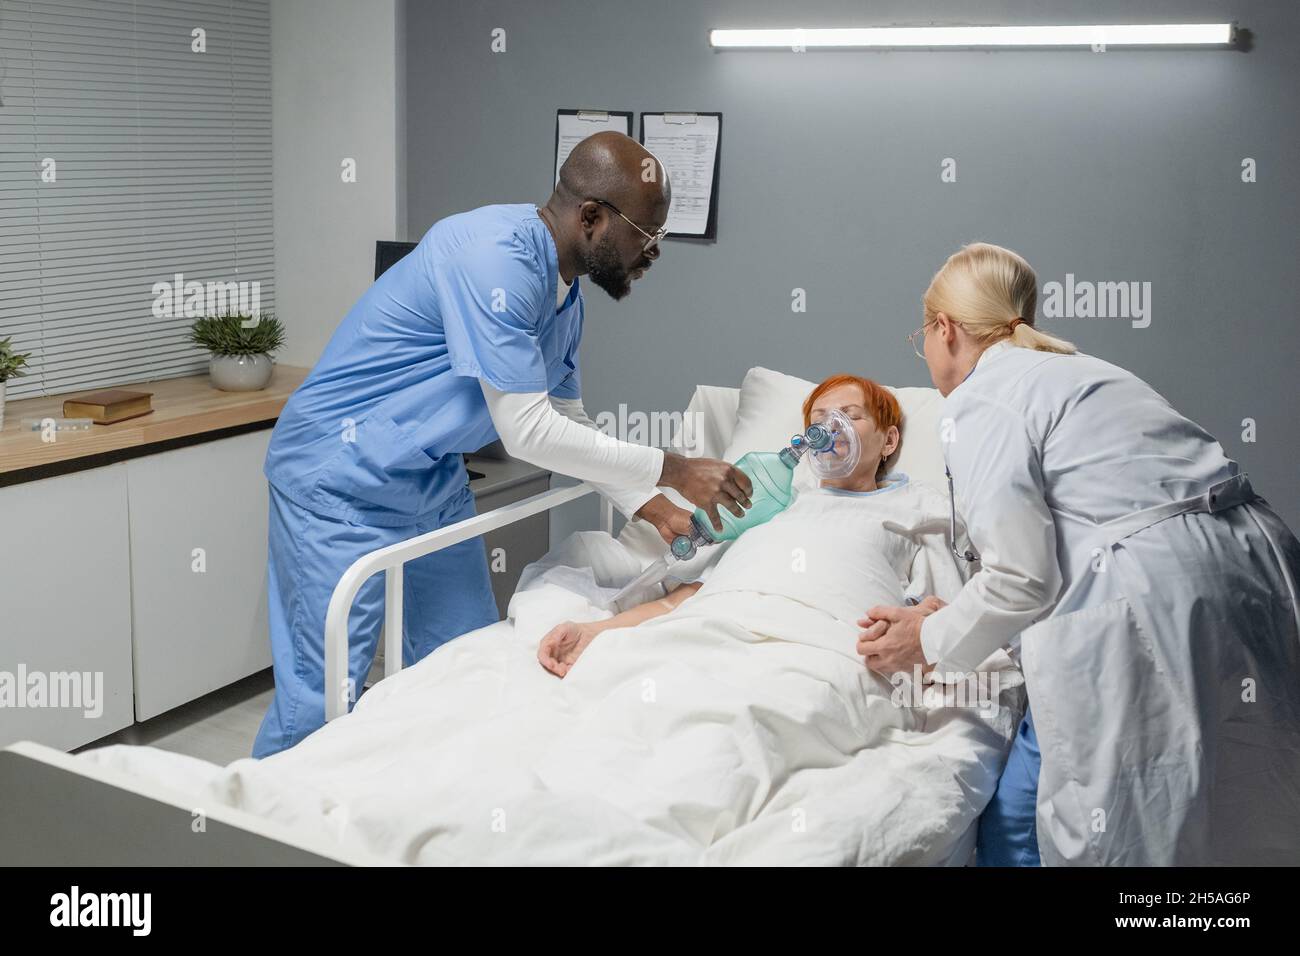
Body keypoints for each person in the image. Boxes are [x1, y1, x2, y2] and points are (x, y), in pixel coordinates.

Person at [253, 132, 753, 757]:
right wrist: (676, 467)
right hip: (337, 476)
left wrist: (653, 506)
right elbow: (528, 433)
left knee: (466, 664)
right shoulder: (494, 257)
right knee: (320, 699)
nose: (652, 252)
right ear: (592, 217)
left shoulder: (565, 293)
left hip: (426, 480)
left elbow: (568, 425)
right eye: (646, 234)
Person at [857, 242, 1300, 865]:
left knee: (1123, 823)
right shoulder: (1093, 373)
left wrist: (927, 641)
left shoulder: (980, 401)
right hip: (1257, 569)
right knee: (1248, 804)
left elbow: (1023, 579)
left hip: (1155, 598)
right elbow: (1083, 527)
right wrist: (954, 618)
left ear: (945, 328)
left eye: (920, 336)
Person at [538, 374, 961, 677]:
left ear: (889, 442)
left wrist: (928, 620)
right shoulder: (776, 503)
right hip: (721, 629)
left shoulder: (919, 506)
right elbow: (692, 597)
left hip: (821, 649)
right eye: (819, 420)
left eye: (850, 416)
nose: (830, 430)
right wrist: (596, 632)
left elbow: (946, 610)